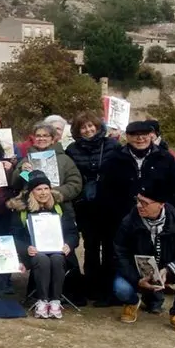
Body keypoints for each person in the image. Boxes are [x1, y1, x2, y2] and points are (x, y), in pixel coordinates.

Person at [98, 120, 175, 305]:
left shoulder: (164, 158)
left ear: (152, 135)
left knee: (152, 254)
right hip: (120, 216)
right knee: (116, 254)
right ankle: (113, 293)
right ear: (127, 137)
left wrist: (161, 208)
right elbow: (104, 189)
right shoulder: (114, 158)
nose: (140, 138)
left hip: (154, 215)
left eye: (144, 134)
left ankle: (153, 296)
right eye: (135, 135)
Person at [114, 178, 175, 334]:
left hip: (169, 269)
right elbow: (119, 252)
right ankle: (132, 302)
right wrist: (137, 279)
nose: (139, 206)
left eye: (145, 203)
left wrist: (169, 269)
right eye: (138, 200)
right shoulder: (129, 221)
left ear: (161, 204)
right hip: (139, 272)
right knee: (120, 287)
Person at [65, 111, 120, 302]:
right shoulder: (72, 149)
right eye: (83, 127)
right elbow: (71, 174)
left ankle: (109, 289)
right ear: (78, 130)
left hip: (109, 204)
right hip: (86, 205)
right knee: (91, 247)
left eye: (91, 126)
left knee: (111, 248)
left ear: (98, 127)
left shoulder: (112, 145)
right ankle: (92, 286)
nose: (88, 130)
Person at [8, 172, 79, 319]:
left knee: (57, 259)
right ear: (32, 191)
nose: (43, 192)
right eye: (39, 189)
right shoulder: (22, 210)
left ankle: (55, 301)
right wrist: (25, 247)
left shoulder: (60, 208)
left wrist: (68, 245)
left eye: (46, 188)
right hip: (33, 253)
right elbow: (14, 236)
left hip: (59, 251)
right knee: (42, 259)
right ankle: (42, 300)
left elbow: (73, 233)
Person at [15, 121, 83, 203]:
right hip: (32, 206)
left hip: (61, 206)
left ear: (52, 139)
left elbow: (75, 184)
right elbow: (15, 185)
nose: (41, 138)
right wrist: (20, 171)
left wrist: (54, 193)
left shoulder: (64, 159)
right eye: (38, 136)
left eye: (45, 136)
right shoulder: (26, 159)